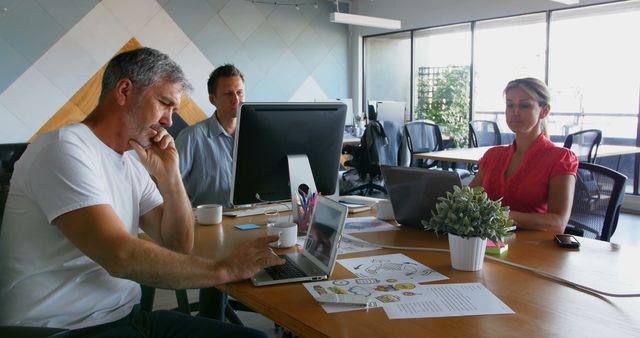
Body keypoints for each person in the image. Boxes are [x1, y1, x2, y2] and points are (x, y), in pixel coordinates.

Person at [0, 48, 283, 337]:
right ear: (124, 91)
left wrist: (170, 175)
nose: (169, 121)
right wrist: (225, 270)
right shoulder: (63, 148)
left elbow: (178, 243)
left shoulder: (131, 162)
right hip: (60, 328)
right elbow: (120, 256)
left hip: (126, 319)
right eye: (164, 103)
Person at [469, 77, 578, 233]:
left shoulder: (560, 158)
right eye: (510, 105)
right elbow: (466, 199)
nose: (515, 112)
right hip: (488, 245)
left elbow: (558, 223)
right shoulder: (493, 155)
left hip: (532, 250)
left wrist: (501, 215)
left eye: (525, 105)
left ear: (544, 111)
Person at [175, 64, 244, 208]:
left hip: (253, 221)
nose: (236, 99)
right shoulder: (191, 137)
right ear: (213, 99)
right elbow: (170, 184)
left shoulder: (255, 135)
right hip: (207, 224)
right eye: (229, 93)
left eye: (239, 92)